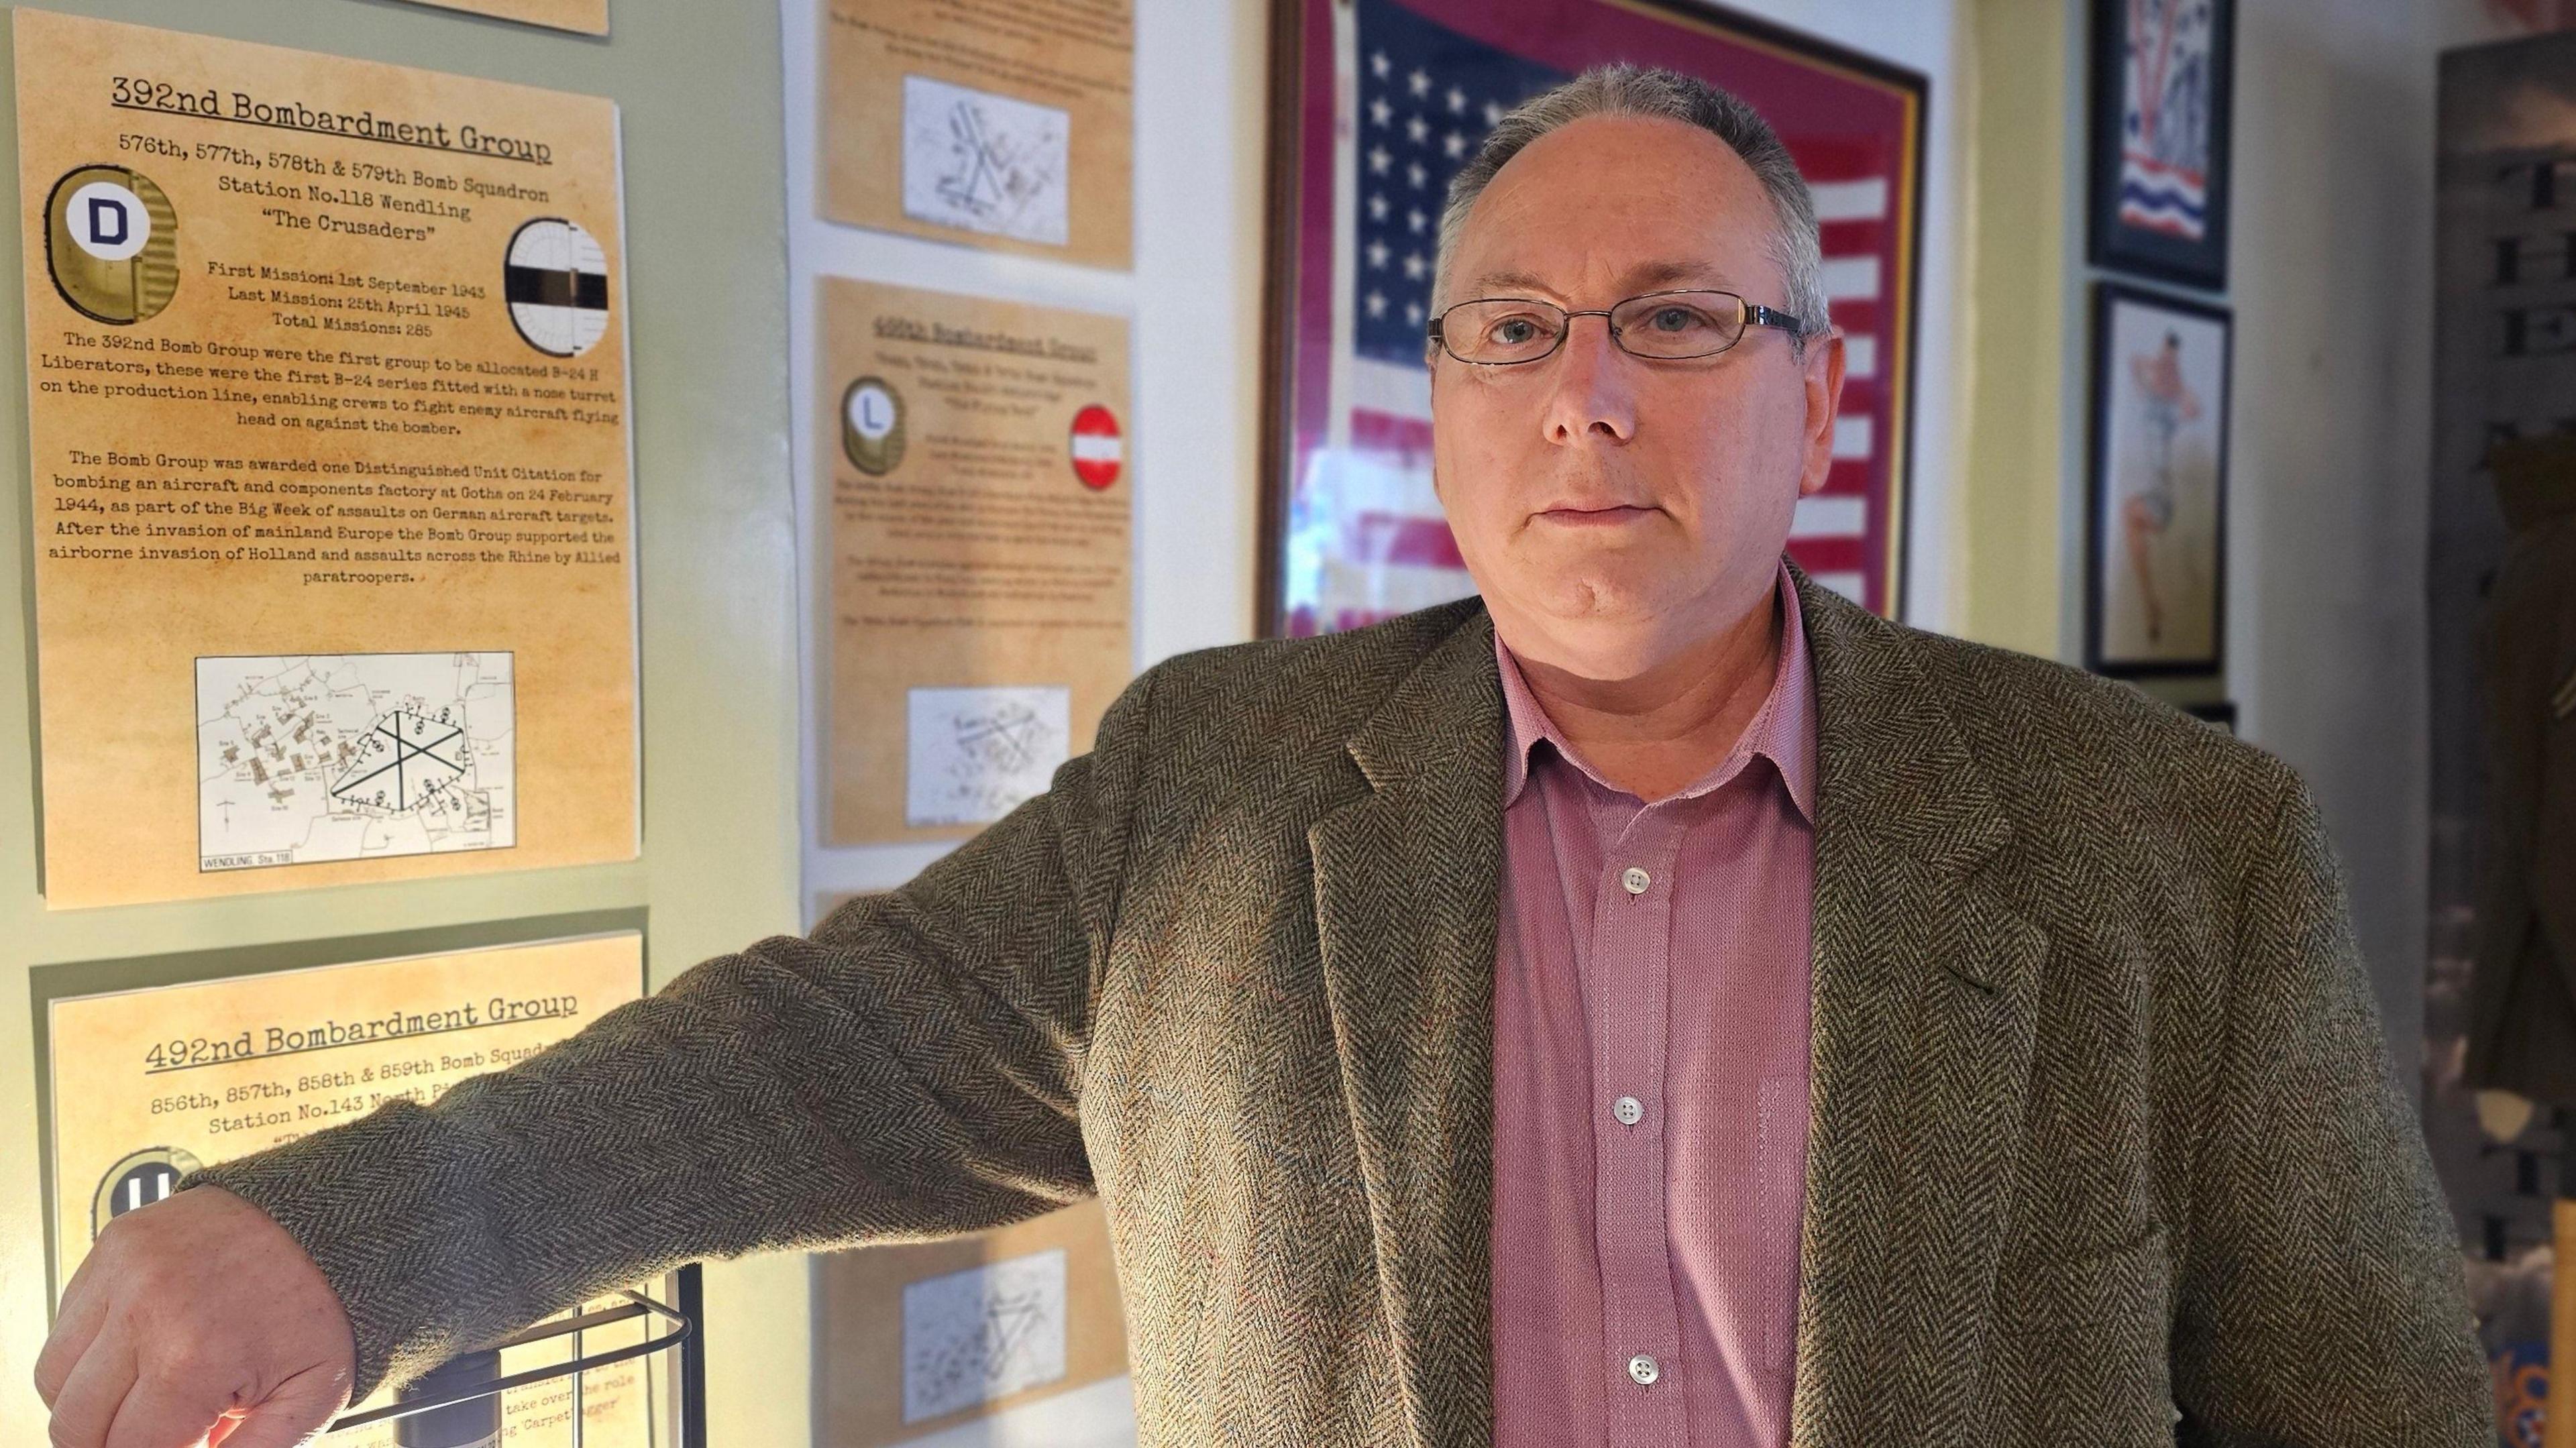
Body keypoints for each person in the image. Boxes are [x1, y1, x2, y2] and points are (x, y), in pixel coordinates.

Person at [36, 64, 2489, 1448]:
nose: (1586, 395)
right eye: (1514, 328)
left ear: (1815, 390)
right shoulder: (1217, 795)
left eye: (1673, 323)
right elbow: (794, 1064)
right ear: (1446, 400)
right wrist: (351, 1234)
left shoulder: (2171, 845)